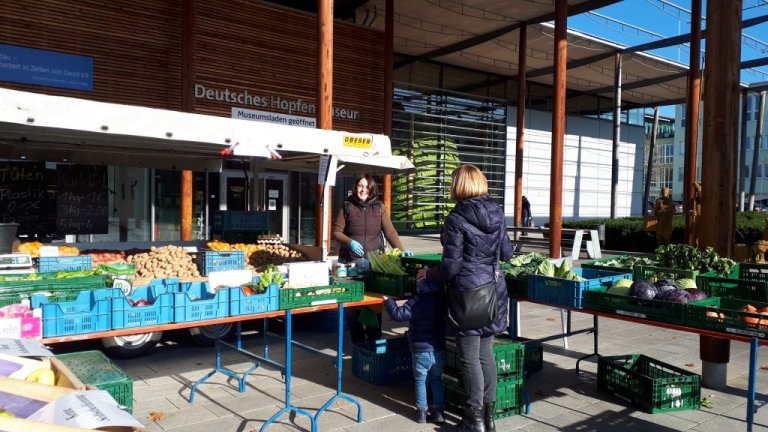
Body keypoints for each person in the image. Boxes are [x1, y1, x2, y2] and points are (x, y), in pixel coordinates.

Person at [416, 164, 513, 432]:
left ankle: (474, 420)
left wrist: (428, 274)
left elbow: (450, 268)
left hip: (467, 295)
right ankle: (489, 417)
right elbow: (507, 254)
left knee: (470, 358)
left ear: (458, 186)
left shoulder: (455, 219)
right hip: (493, 291)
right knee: (486, 355)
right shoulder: (497, 213)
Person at [333, 173, 410, 343]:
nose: (362, 189)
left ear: (372, 188)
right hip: (350, 264)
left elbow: (390, 232)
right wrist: (349, 242)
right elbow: (337, 232)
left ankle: (374, 338)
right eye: (360, 186)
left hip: (373, 264)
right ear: (355, 188)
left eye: (366, 186)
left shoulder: (380, 207)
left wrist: (401, 251)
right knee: (353, 306)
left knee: (374, 304)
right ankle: (358, 341)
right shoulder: (347, 206)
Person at [382, 279, 446, 424]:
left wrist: (389, 301)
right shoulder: (442, 301)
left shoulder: (416, 301)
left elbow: (398, 315)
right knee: (437, 379)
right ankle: (438, 412)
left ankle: (421, 413)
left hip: (420, 349)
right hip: (438, 347)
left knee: (420, 380)